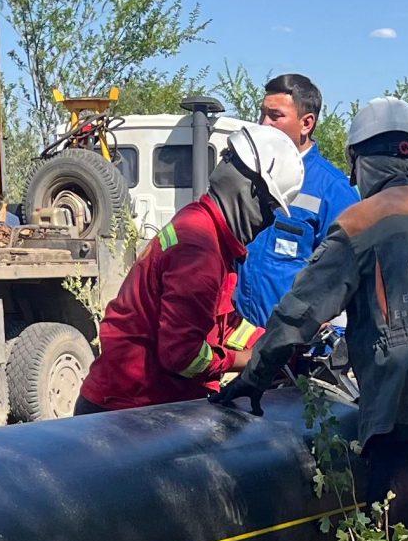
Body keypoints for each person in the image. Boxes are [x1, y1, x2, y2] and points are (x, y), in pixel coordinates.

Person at [219, 98, 408, 531]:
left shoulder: (361, 222)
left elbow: (298, 315)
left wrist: (253, 379)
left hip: (406, 414)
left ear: (359, 162)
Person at [76, 124, 302, 414]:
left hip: (135, 405)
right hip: (126, 413)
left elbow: (220, 322)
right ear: (250, 190)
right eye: (270, 207)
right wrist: (246, 360)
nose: (268, 220)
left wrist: (270, 342)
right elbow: (181, 357)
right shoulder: (200, 249)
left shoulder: (203, 226)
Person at [229, 72, 360, 331]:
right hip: (239, 339)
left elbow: (350, 273)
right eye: (262, 113)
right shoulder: (247, 175)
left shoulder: (334, 190)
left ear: (306, 123)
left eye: (275, 116)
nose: (263, 124)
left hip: (294, 351)